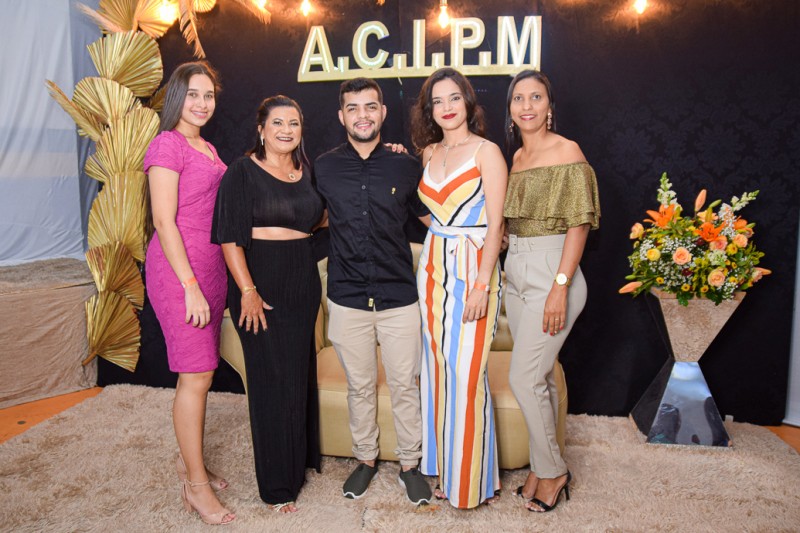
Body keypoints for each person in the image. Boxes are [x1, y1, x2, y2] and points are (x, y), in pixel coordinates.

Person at [314, 77, 433, 505]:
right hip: (347, 297)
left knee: (405, 385)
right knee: (360, 387)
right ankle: (365, 459)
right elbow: (307, 216)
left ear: (382, 112)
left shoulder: (405, 165)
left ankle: (410, 465)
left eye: (370, 107)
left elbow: (433, 219)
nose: (362, 115)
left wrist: (486, 234)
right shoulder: (323, 167)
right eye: (353, 108)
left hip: (399, 297)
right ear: (341, 115)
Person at [211, 95, 324, 514]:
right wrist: (248, 290)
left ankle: (298, 463)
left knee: (297, 374)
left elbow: (319, 216)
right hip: (259, 283)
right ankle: (277, 486)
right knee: (269, 382)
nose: (286, 130)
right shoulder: (242, 171)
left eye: (293, 123)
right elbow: (229, 236)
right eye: (277, 123)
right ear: (261, 129)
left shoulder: (306, 172)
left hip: (302, 281)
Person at [410, 67, 508, 509]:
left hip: (473, 271)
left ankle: (470, 482)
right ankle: (445, 468)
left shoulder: (488, 152)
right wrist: (442, 234)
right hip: (433, 268)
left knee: (466, 376)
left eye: (454, 98)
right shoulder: (429, 152)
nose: (446, 107)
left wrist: (482, 284)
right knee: (436, 370)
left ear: (467, 102)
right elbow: (429, 211)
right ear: (429, 110)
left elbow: (497, 223)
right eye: (437, 101)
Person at [503, 69, 600, 512]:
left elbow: (579, 225)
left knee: (523, 377)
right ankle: (544, 465)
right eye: (518, 98)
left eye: (536, 97)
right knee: (539, 376)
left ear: (549, 106)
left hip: (552, 271)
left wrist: (560, 287)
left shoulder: (567, 150)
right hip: (517, 271)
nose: (527, 106)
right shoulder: (516, 158)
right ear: (510, 109)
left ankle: (553, 471)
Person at [143, 62, 234, 525]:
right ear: (177, 97)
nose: (202, 103)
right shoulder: (167, 144)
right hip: (180, 273)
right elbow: (164, 220)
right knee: (196, 375)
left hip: (210, 269)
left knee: (200, 373)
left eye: (209, 95)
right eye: (193, 94)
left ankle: (189, 462)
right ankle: (196, 487)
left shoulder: (207, 146)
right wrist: (190, 287)